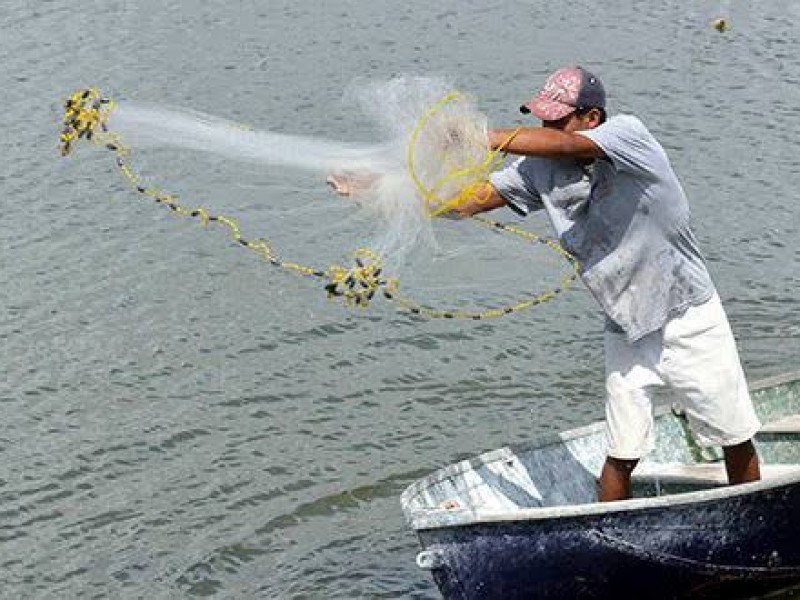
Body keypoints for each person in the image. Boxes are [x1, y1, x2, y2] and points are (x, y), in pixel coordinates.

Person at [329, 66, 762, 501]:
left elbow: (567, 144)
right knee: (621, 451)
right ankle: (606, 535)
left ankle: (753, 516)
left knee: (732, 434)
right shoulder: (540, 169)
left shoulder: (630, 136)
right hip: (626, 326)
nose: (547, 127)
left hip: (688, 314)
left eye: (557, 118)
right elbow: (469, 201)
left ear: (592, 118)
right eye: (543, 119)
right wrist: (383, 189)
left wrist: (476, 135)